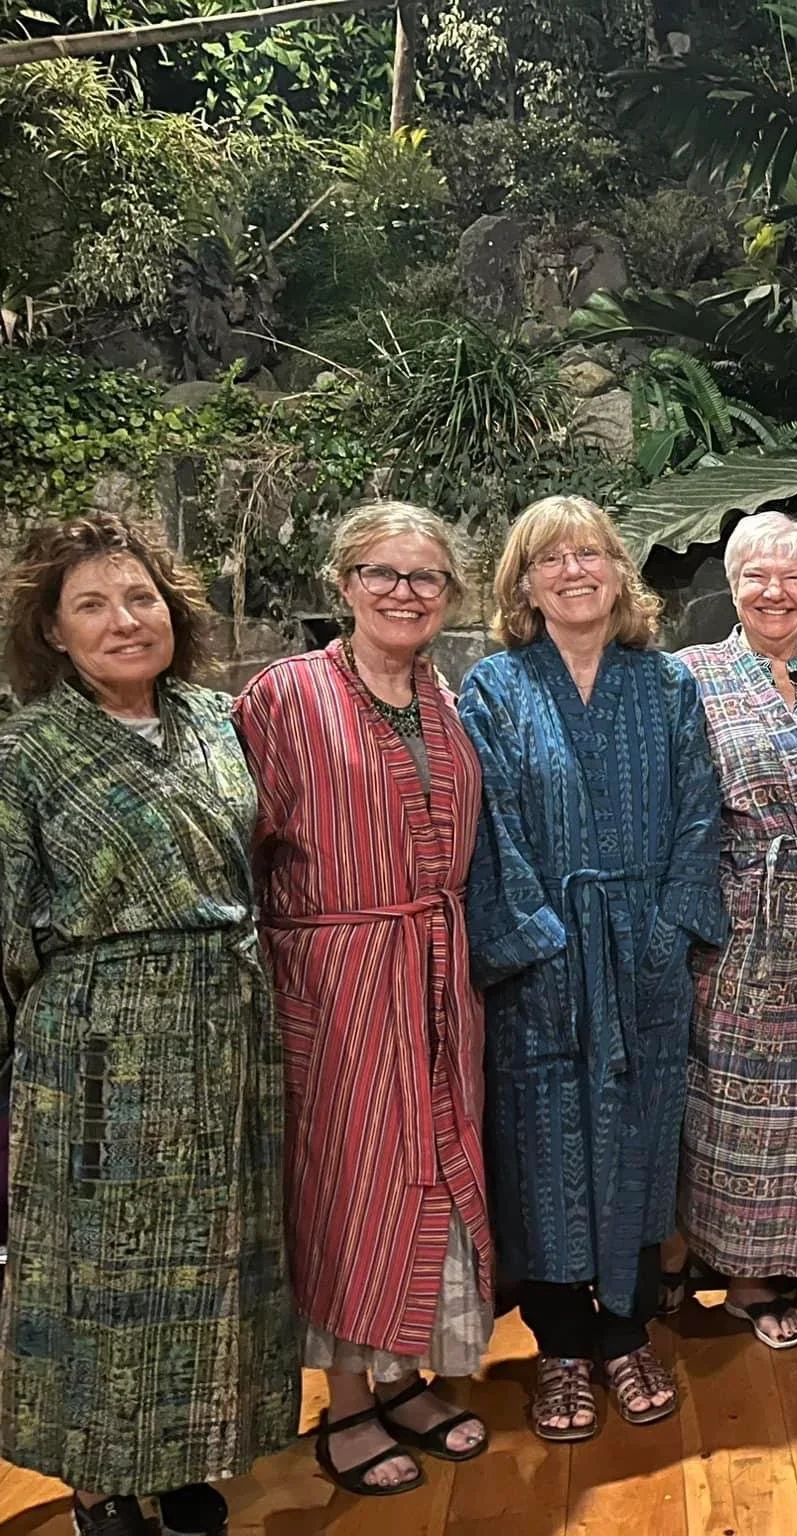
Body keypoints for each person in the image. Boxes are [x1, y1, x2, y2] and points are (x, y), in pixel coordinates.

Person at [0, 513, 296, 1536]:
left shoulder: (219, 721)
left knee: (208, 1263)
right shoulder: (26, 751)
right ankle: (97, 1478)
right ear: (51, 631)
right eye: (91, 604)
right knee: (101, 1272)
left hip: (226, 1033)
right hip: (98, 1052)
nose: (125, 621)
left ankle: (184, 1453)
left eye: (141, 598)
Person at [234, 502, 492, 1496]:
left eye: (425, 578)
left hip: (435, 973)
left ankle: (408, 1377)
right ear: (343, 585)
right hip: (335, 989)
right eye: (382, 573)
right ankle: (345, 1410)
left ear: (448, 598)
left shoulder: (446, 699)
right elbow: (237, 849)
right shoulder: (282, 698)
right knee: (349, 1189)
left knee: (434, 1168)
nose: (403, 592)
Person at [460, 495, 726, 1441]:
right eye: (550, 559)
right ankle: (561, 1347)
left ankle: (626, 1335)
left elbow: (701, 810)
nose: (574, 571)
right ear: (523, 584)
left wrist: (666, 930)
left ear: (619, 573)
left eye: (591, 554)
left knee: (641, 1137)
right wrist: (533, 936)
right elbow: (485, 823)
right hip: (542, 959)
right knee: (542, 1147)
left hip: (643, 950)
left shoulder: (665, 689)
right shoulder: (493, 688)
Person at [675, 511, 797, 1351]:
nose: (774, 590)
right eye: (757, 573)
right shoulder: (691, 675)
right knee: (724, 1099)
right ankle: (715, 1266)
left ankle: (777, 1267)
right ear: (731, 582)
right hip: (741, 917)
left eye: (792, 576)